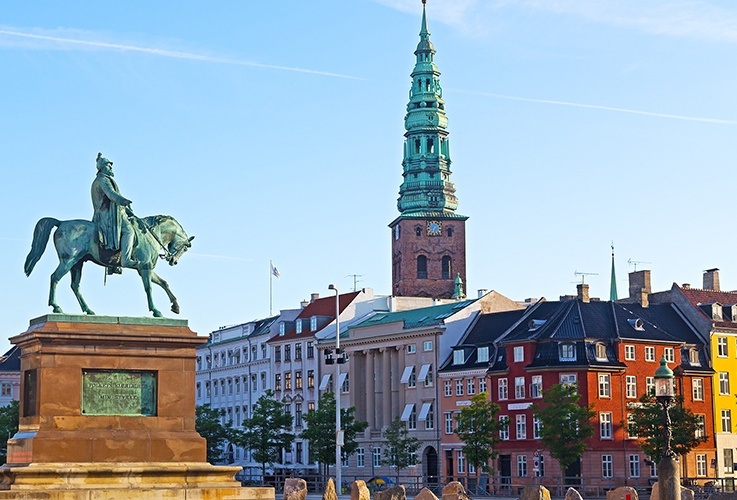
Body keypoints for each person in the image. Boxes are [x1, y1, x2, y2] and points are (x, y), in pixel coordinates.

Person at [91, 152, 138, 271]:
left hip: (110, 213)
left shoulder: (105, 179)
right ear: (102, 167)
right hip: (107, 215)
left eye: (110, 166)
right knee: (129, 231)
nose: (110, 167)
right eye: (108, 166)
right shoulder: (102, 180)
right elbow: (111, 194)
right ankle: (126, 259)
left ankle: (112, 264)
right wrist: (124, 201)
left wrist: (127, 210)